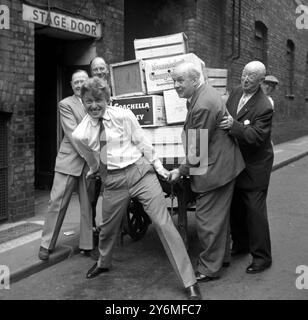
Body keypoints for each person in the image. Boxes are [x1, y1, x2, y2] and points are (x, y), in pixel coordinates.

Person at [72, 77, 202, 300]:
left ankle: (189, 281)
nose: (94, 106)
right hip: (112, 180)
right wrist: (95, 169)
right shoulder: (80, 133)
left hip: (140, 173)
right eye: (88, 101)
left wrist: (159, 168)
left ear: (108, 99)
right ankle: (103, 262)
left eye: (99, 100)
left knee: (164, 224)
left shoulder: (123, 116)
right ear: (82, 101)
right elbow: (89, 155)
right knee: (107, 228)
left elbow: (142, 142)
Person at [169, 63, 245, 282]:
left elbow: (198, 150)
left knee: (207, 220)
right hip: (222, 164)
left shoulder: (203, 104)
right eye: (174, 80)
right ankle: (223, 258)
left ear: (194, 80)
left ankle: (209, 268)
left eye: (180, 80)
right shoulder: (204, 92)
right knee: (218, 217)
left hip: (215, 169)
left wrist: (181, 170)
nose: (176, 85)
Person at [219, 61, 274, 274]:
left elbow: (256, 137)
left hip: (255, 166)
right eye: (244, 74)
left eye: (252, 76)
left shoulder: (264, 106)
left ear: (261, 81)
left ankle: (262, 257)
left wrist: (234, 126)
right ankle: (241, 245)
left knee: (254, 212)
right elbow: (226, 113)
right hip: (235, 162)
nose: (246, 79)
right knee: (235, 207)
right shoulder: (236, 92)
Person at [38, 70, 93, 260]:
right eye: (76, 82)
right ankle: (47, 244)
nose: (79, 85)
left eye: (82, 81)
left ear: (88, 82)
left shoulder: (93, 101)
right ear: (71, 85)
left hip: (88, 164)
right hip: (70, 160)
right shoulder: (66, 104)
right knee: (57, 203)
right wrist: (94, 159)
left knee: (87, 206)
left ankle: (87, 245)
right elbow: (74, 134)